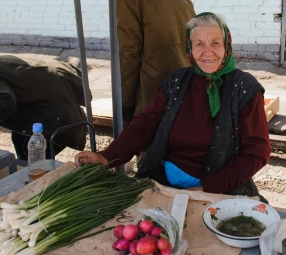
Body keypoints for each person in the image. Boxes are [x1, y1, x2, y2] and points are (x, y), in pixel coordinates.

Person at [74, 13, 271, 197]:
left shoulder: (244, 88)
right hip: (164, 183)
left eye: (215, 43)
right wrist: (106, 157)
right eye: (199, 44)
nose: (207, 52)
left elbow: (257, 152)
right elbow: (143, 127)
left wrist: (205, 189)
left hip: (219, 188)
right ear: (189, 48)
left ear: (227, 45)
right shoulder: (176, 81)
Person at [98, 0, 195, 121]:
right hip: (184, 84)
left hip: (152, 92)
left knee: (150, 147)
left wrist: (124, 103)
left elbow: (128, 54)